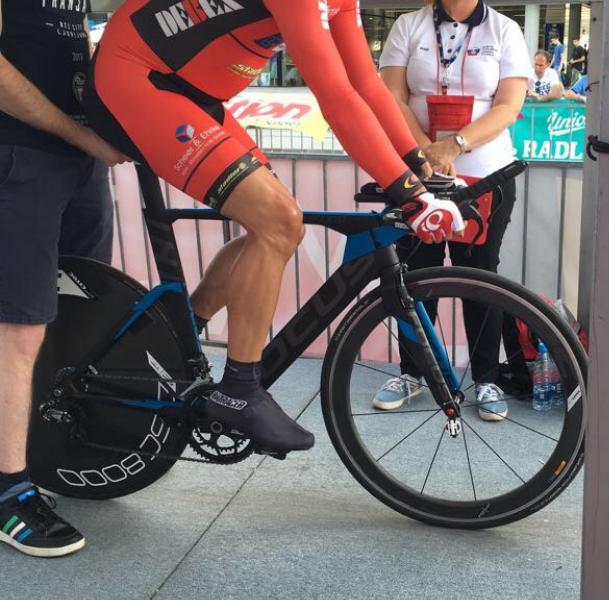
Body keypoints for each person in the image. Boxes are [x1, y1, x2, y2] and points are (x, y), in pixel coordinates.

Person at [83, 1, 465, 457]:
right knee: (278, 221)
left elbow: (366, 85)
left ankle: (172, 342)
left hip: (189, 89)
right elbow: (336, 98)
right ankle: (239, 390)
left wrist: (418, 169)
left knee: (278, 224)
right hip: (138, 76)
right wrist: (411, 195)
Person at [0, 0, 128, 557]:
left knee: (81, 310)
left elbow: (73, 42)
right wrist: (81, 137)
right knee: (19, 326)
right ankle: (7, 492)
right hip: (17, 153)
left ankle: (46, 450)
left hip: (77, 160)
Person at [376, 0, 532, 421]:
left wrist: (455, 145)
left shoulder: (505, 30)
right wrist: (425, 152)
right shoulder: (408, 25)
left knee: (479, 275)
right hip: (416, 174)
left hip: (485, 176)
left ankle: (487, 379)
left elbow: (507, 106)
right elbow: (392, 97)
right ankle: (412, 372)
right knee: (413, 273)